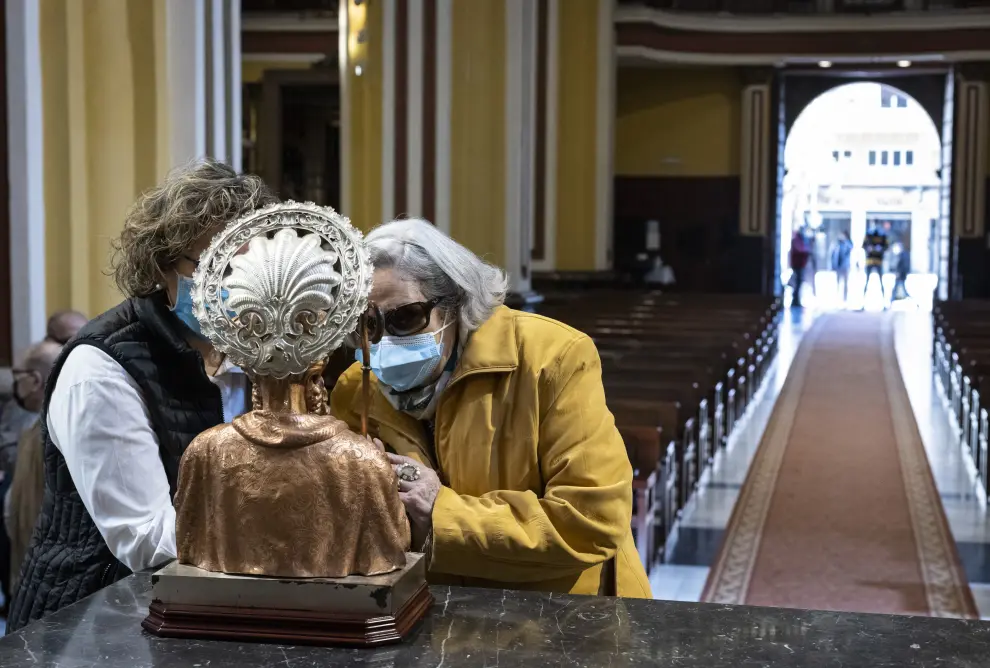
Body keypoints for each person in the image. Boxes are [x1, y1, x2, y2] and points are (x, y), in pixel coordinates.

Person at [7, 159, 278, 631]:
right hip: (91, 619)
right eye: (216, 266)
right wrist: (289, 523)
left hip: (201, 610)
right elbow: (146, 539)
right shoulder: (101, 368)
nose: (234, 286)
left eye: (249, 269)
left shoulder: (249, 351)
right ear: (162, 264)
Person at [330, 218, 652, 598]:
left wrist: (440, 511)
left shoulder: (551, 358)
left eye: (405, 318)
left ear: (453, 303)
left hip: (560, 608)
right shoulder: (356, 388)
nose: (383, 343)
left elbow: (592, 521)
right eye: (368, 326)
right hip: (430, 607)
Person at [2, 340, 61, 604]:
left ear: (35, 380)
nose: (15, 384)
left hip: (42, 583)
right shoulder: (36, 431)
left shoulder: (50, 437)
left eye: (19, 376)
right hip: (28, 578)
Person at [863, 223, 889, 307]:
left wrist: (880, 249)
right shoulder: (868, 234)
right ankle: (863, 303)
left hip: (878, 261)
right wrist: (869, 248)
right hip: (870, 261)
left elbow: (886, 246)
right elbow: (863, 245)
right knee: (866, 282)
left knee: (881, 282)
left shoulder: (883, 235)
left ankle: (884, 303)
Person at [830, 231, 854, 306]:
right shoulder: (836, 244)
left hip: (845, 266)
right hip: (838, 266)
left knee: (845, 283)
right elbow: (833, 255)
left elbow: (851, 248)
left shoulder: (847, 244)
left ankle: (845, 299)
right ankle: (837, 297)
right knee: (837, 282)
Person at [789, 229, 810, 308]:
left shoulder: (800, 240)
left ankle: (796, 300)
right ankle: (795, 300)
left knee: (799, 283)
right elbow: (800, 251)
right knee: (797, 283)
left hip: (800, 264)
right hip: (798, 264)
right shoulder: (796, 241)